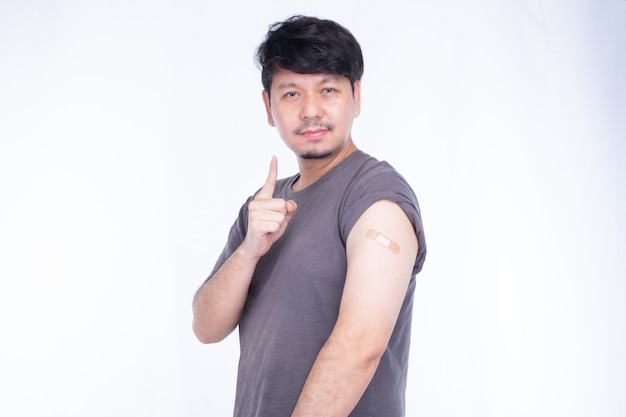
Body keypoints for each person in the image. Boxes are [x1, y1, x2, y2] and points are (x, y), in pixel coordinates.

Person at [192, 15, 427, 417]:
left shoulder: (375, 197)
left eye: (328, 89)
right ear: (269, 106)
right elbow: (206, 326)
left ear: (356, 95)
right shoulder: (265, 206)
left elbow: (361, 345)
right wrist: (249, 251)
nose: (311, 111)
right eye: (291, 94)